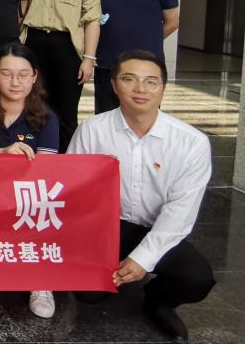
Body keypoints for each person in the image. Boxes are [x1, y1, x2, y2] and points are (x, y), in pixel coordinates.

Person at [69, 51, 215, 343]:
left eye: (151, 81)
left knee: (196, 279)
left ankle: (158, 300)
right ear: (114, 85)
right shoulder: (92, 130)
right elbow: (74, 189)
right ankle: (116, 272)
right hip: (107, 226)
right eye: (129, 79)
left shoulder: (191, 143)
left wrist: (141, 259)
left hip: (158, 227)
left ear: (163, 87)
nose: (140, 89)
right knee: (88, 293)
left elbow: (179, 212)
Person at [0, 42, 59, 318]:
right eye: (6, 73)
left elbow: (45, 174)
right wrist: (0, 154)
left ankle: (40, 281)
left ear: (34, 76)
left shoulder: (46, 118)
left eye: (23, 74)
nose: (15, 82)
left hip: (24, 198)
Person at [21, 0, 101, 153]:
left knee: (66, 107)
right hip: (33, 43)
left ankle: (65, 157)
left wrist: (89, 58)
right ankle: (34, 153)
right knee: (33, 102)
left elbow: (92, 19)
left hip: (67, 45)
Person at [93, 0, 179, 114]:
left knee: (144, 116)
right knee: (106, 117)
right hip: (107, 64)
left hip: (147, 65)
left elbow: (172, 22)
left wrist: (148, 40)